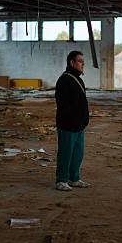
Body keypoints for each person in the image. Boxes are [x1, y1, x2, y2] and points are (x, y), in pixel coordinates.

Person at [54, 51, 90, 191]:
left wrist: (83, 120)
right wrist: (73, 120)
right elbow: (63, 105)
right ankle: (61, 180)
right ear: (72, 62)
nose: (83, 64)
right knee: (65, 153)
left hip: (79, 126)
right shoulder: (64, 80)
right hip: (68, 125)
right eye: (80, 61)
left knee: (77, 154)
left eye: (83, 62)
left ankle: (74, 178)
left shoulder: (78, 79)